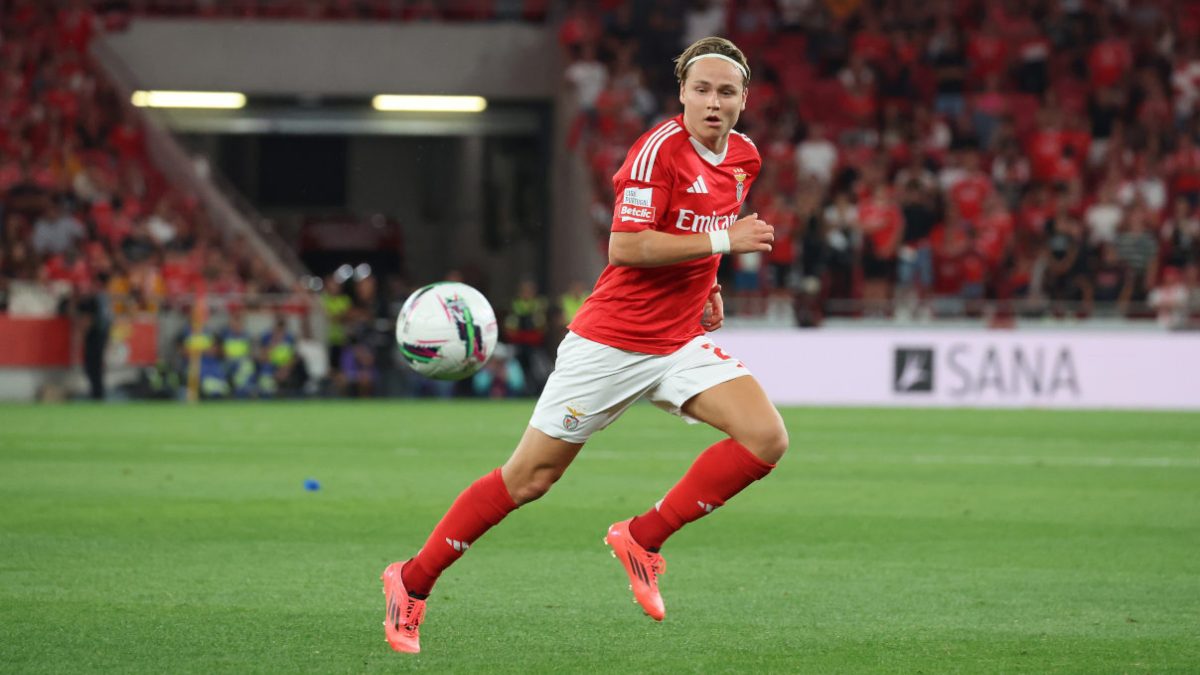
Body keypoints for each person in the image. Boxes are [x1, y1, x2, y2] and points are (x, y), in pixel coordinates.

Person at [381, 36, 785, 654]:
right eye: (700, 88)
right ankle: (410, 581)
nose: (712, 101)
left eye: (725, 91)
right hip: (612, 342)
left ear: (743, 100)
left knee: (765, 438)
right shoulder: (657, 153)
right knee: (529, 479)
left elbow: (698, 230)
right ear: (681, 92)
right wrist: (722, 246)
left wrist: (710, 284)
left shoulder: (744, 158)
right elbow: (628, 246)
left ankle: (642, 539)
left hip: (677, 338)